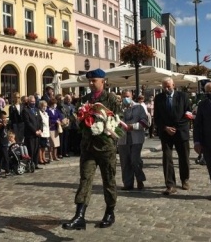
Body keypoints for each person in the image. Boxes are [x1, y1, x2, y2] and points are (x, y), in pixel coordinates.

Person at [62, 68, 120, 230]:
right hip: (88, 147)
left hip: (105, 147)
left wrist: (103, 125)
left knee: (108, 179)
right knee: (85, 179)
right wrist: (73, 120)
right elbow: (78, 118)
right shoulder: (85, 99)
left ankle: (110, 212)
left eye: (94, 80)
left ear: (103, 81)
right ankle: (79, 215)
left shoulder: (110, 98)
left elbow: (117, 120)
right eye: (90, 81)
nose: (91, 83)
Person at [154, 77, 192, 195]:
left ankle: (184, 179)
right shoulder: (159, 98)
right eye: (164, 86)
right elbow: (157, 117)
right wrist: (165, 128)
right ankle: (170, 184)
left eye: (168, 86)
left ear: (173, 85)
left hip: (181, 131)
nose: (166, 88)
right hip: (166, 132)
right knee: (167, 158)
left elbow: (188, 114)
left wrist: (176, 127)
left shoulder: (183, 96)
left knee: (184, 157)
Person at [118, 89, 149, 191]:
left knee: (135, 160)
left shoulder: (139, 107)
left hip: (136, 138)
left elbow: (145, 122)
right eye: (124, 97)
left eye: (128, 96)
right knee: (125, 162)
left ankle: (140, 180)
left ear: (132, 96)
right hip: (123, 138)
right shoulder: (119, 108)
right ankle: (128, 183)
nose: (126, 98)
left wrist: (134, 126)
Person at [21, 95, 43, 170]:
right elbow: (27, 123)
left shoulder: (36, 110)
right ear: (28, 102)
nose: (33, 103)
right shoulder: (25, 110)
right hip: (30, 134)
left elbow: (40, 120)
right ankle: (30, 164)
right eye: (31, 102)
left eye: (34, 101)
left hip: (38, 133)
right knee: (31, 150)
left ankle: (36, 164)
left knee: (37, 149)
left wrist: (40, 129)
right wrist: (35, 131)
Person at [0, 110, 12, 177]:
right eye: (3, 118)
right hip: (2, 143)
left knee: (1, 157)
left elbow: (8, 130)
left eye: (5, 118)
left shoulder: (6, 125)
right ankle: (7, 171)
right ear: (0, 118)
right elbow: (1, 129)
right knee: (5, 157)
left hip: (5, 141)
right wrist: (3, 125)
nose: (4, 119)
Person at [37, 100, 50, 165]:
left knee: (44, 146)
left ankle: (44, 157)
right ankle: (40, 158)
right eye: (43, 106)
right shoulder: (39, 113)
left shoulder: (46, 113)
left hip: (46, 131)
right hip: (42, 132)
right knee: (40, 146)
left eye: (46, 106)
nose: (45, 107)